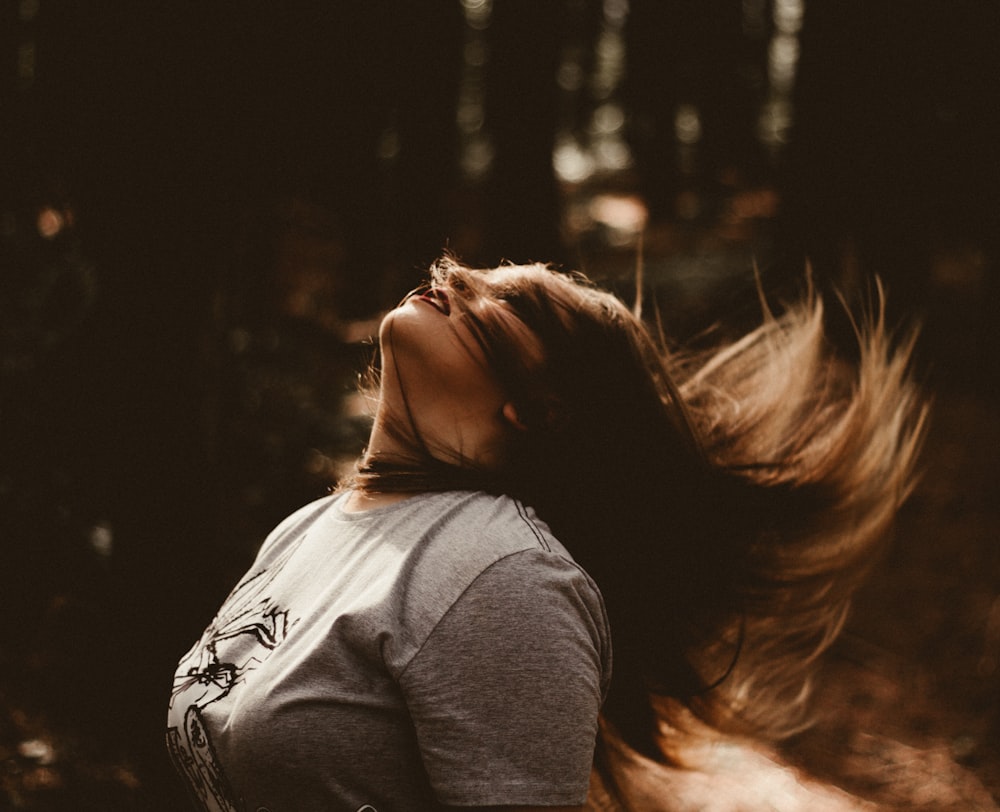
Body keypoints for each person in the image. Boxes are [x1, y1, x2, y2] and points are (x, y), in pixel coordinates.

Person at [166, 256, 926, 810]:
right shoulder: (311, 528)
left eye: (512, 304)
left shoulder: (503, 576)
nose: (455, 271)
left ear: (541, 407)